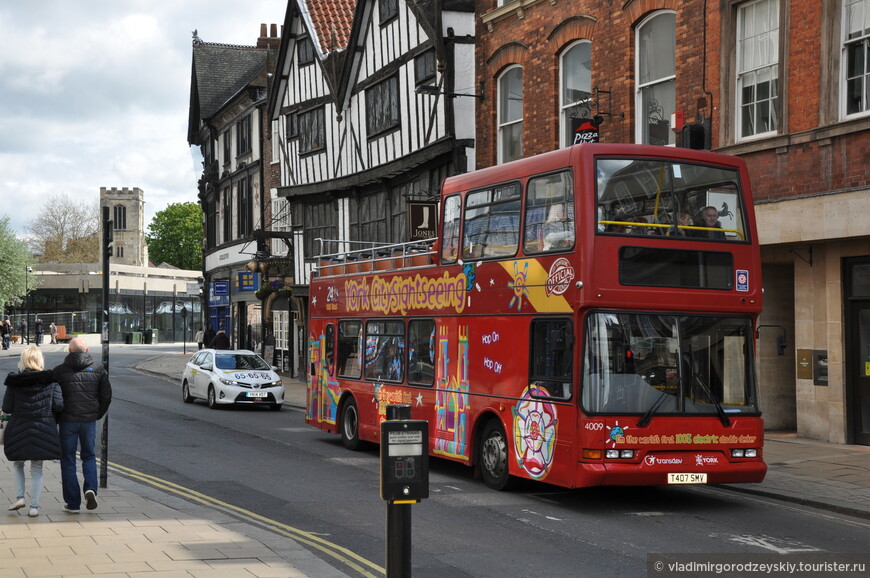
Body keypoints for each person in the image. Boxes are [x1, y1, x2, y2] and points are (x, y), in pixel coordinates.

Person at [3, 346, 64, 517]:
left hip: (18, 428)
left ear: (22, 361)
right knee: (37, 468)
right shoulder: (52, 382)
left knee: (18, 464)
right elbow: (59, 406)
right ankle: (34, 507)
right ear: (39, 360)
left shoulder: (14, 383)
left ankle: (20, 497)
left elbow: (7, 407)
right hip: (43, 428)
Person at [53, 337, 112, 513]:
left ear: (69, 351)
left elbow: (54, 399)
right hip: (88, 421)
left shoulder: (59, 371)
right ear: (87, 351)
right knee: (89, 455)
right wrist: (96, 414)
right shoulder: (99, 370)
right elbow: (106, 396)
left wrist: (57, 417)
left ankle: (72, 504)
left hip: (67, 421)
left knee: (68, 459)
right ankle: (90, 489)